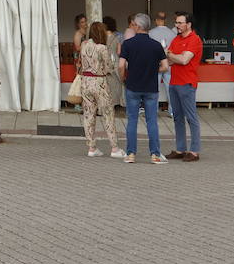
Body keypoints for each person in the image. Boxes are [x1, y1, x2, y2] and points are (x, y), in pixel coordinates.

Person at [118, 13, 169, 164]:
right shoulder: (156, 45)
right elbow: (165, 66)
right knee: (151, 120)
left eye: (133, 24)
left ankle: (131, 154)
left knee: (132, 120)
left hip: (133, 86)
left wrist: (123, 78)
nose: (132, 26)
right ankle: (155, 154)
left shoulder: (128, 44)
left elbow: (121, 65)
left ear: (138, 26)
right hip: (151, 87)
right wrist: (154, 71)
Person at [76, 21, 123, 159]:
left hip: (85, 82)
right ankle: (114, 148)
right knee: (108, 114)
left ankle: (91, 147)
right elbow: (109, 66)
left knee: (89, 114)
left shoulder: (84, 45)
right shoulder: (102, 48)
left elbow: (80, 63)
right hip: (99, 82)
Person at [164, 12, 203, 162]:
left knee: (191, 117)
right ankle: (180, 149)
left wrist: (170, 55)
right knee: (177, 118)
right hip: (174, 82)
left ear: (189, 24)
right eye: (176, 22)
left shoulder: (194, 39)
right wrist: (174, 56)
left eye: (180, 23)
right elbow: (173, 61)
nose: (177, 25)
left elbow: (184, 60)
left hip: (187, 83)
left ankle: (194, 151)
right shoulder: (176, 39)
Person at [148, 11, 177, 108]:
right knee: (170, 88)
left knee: (154, 89)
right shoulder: (172, 34)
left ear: (156, 20)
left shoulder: (151, 33)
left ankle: (153, 110)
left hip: (155, 64)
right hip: (169, 63)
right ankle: (172, 111)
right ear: (165, 20)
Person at [64, 13, 87, 110]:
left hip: (86, 57)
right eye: (82, 22)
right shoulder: (78, 34)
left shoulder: (87, 32)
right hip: (79, 58)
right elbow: (77, 47)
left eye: (85, 21)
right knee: (79, 80)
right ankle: (77, 102)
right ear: (78, 24)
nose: (85, 23)